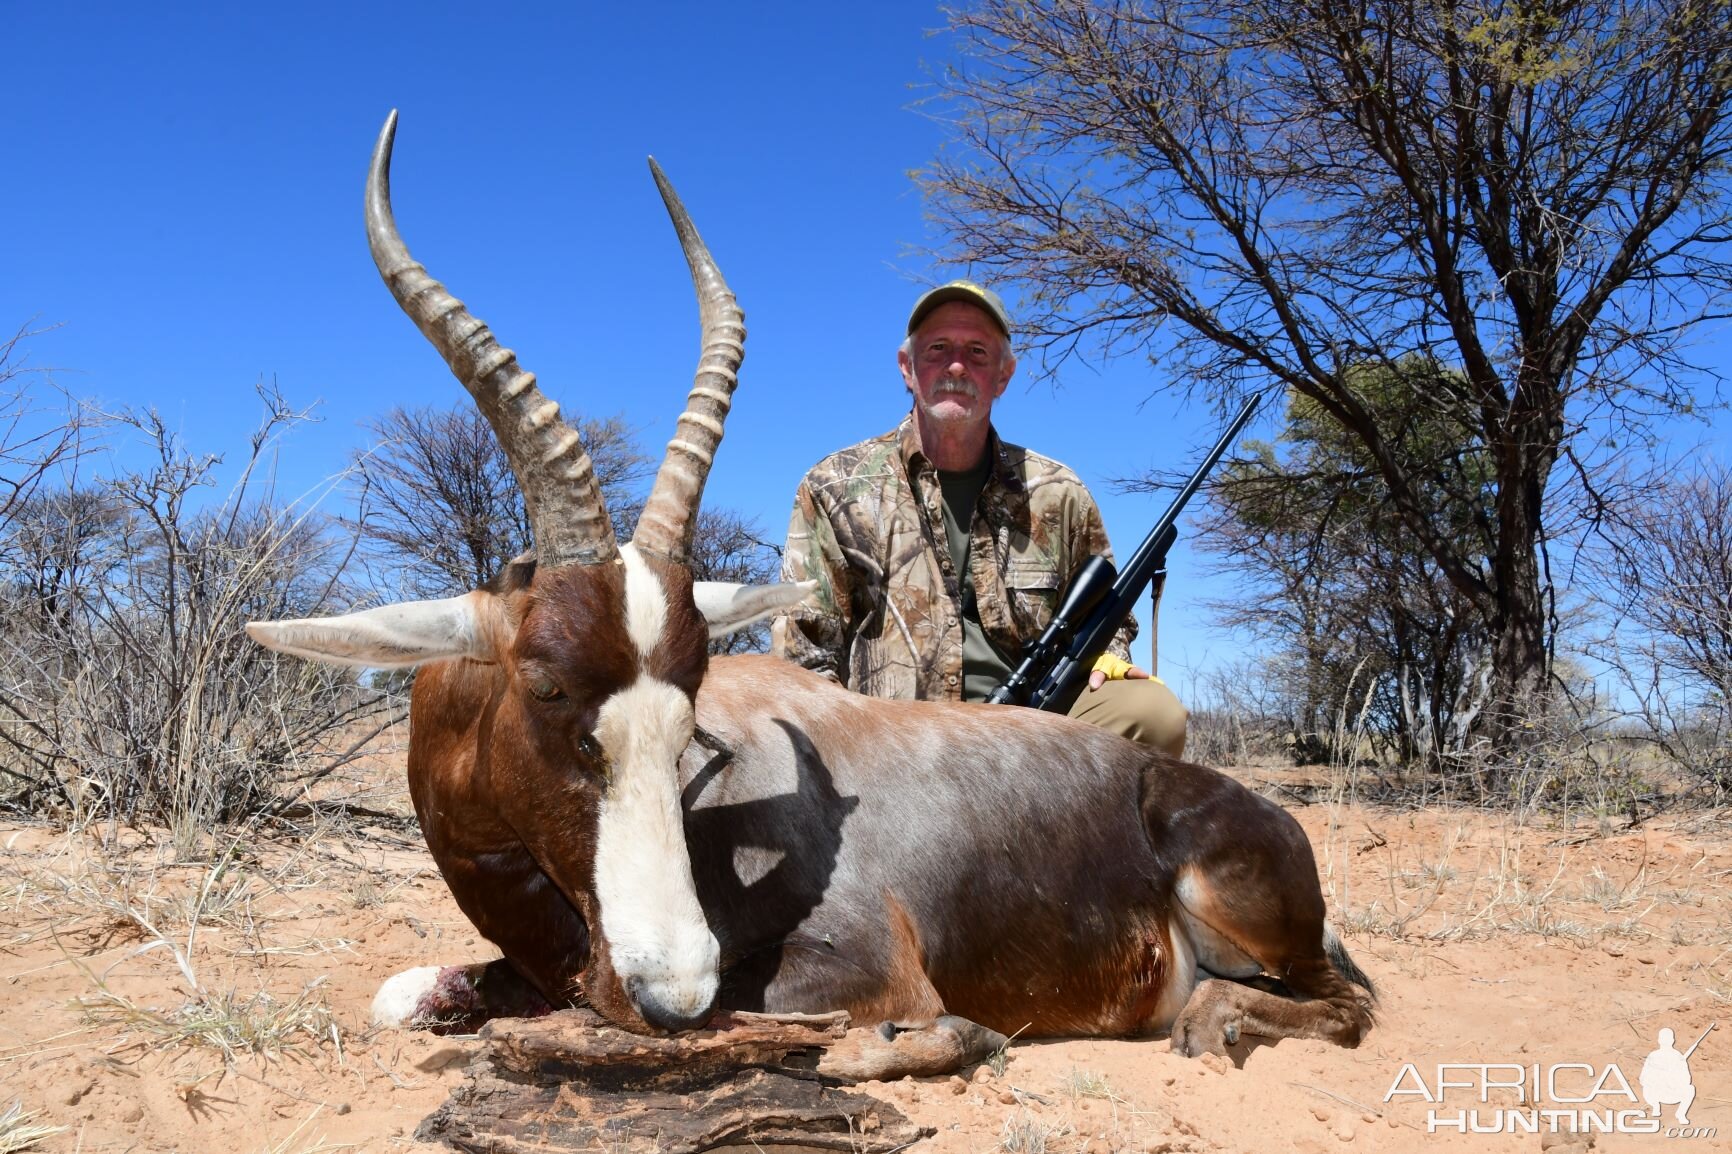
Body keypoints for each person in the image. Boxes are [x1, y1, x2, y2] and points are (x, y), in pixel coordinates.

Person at [770, 280, 1187, 757]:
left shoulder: (1058, 491)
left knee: (1154, 714)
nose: (955, 366)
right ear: (908, 368)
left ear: (1003, 376)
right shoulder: (832, 487)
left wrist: (1110, 656)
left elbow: (1108, 616)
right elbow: (803, 655)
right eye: (938, 349)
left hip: (1032, 730)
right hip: (891, 746)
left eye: (977, 352)